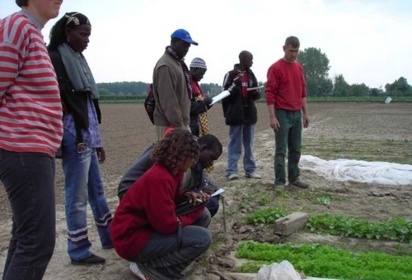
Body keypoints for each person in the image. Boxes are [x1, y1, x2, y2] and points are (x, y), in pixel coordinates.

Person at [0, 0, 63, 279]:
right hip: (22, 147)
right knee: (37, 241)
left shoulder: (31, 31)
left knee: (26, 237)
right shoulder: (17, 26)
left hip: (33, 149)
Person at [48, 12, 113, 265]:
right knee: (76, 195)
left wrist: (98, 141)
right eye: (82, 34)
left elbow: (87, 103)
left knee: (97, 190)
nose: (87, 40)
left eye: (89, 35)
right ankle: (78, 250)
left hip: (87, 135)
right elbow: (52, 98)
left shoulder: (78, 59)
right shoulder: (54, 59)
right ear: (67, 33)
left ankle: (108, 238)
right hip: (74, 136)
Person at [111, 129, 212, 280]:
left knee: (203, 215)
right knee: (203, 238)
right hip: (131, 240)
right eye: (191, 157)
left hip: (145, 228)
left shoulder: (174, 171)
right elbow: (167, 226)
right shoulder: (160, 177)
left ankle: (162, 263)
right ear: (180, 155)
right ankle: (151, 268)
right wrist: (194, 212)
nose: (193, 162)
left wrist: (186, 196)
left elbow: (168, 198)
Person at [117, 133, 223, 217]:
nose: (211, 163)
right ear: (202, 148)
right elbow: (166, 221)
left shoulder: (188, 159)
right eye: (211, 158)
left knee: (206, 203)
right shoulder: (168, 161)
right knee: (203, 210)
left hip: (149, 196)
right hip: (132, 197)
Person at [265, 36, 310, 189]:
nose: (294, 54)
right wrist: (272, 116)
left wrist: (305, 113)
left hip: (297, 113)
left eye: (296, 51)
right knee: (281, 150)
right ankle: (279, 182)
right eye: (291, 51)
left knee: (296, 148)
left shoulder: (299, 67)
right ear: (284, 48)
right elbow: (270, 93)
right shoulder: (275, 68)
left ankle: (294, 178)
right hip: (281, 114)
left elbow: (303, 91)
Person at [222, 50, 261, 180]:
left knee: (249, 143)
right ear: (243, 59)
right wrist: (235, 85)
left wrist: (255, 93)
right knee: (234, 143)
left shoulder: (251, 75)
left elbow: (257, 94)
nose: (252, 62)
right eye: (250, 59)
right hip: (236, 114)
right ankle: (231, 171)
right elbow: (226, 94)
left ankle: (250, 170)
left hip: (249, 113)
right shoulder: (230, 75)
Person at [152, 29, 198, 140]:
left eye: (188, 46)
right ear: (173, 42)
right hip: (170, 125)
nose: (187, 49)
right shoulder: (165, 66)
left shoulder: (178, 63)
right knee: (171, 156)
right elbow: (169, 102)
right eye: (184, 45)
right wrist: (180, 129)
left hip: (180, 124)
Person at [189, 57, 213, 137]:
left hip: (195, 124)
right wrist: (203, 103)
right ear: (193, 70)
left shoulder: (195, 85)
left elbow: (199, 107)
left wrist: (208, 104)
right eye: (201, 74)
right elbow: (189, 107)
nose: (202, 77)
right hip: (190, 126)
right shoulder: (187, 85)